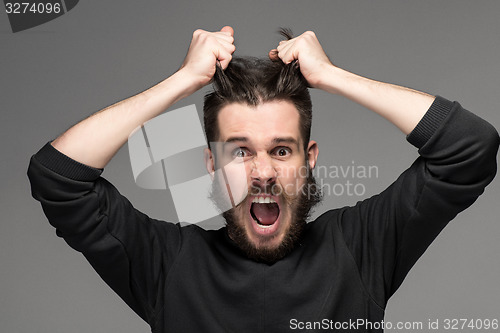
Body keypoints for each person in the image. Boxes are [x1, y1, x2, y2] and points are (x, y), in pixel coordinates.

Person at [28, 26, 499, 332]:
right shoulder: (167, 265)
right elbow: (58, 176)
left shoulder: (361, 247)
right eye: (239, 152)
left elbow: (470, 149)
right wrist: (182, 81)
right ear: (211, 166)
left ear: (308, 159)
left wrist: (333, 77)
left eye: (280, 150)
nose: (263, 174)